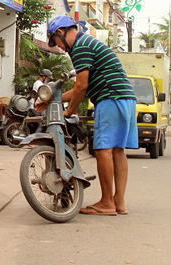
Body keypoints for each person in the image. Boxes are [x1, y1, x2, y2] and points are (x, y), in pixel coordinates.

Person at [37, 15, 137, 216]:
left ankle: (106, 203)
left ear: (61, 32)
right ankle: (119, 202)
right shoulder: (89, 43)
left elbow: (81, 86)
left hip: (109, 98)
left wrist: (68, 110)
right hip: (125, 98)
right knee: (117, 150)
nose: (59, 48)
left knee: (102, 150)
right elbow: (79, 89)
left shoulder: (80, 47)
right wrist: (52, 99)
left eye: (56, 42)